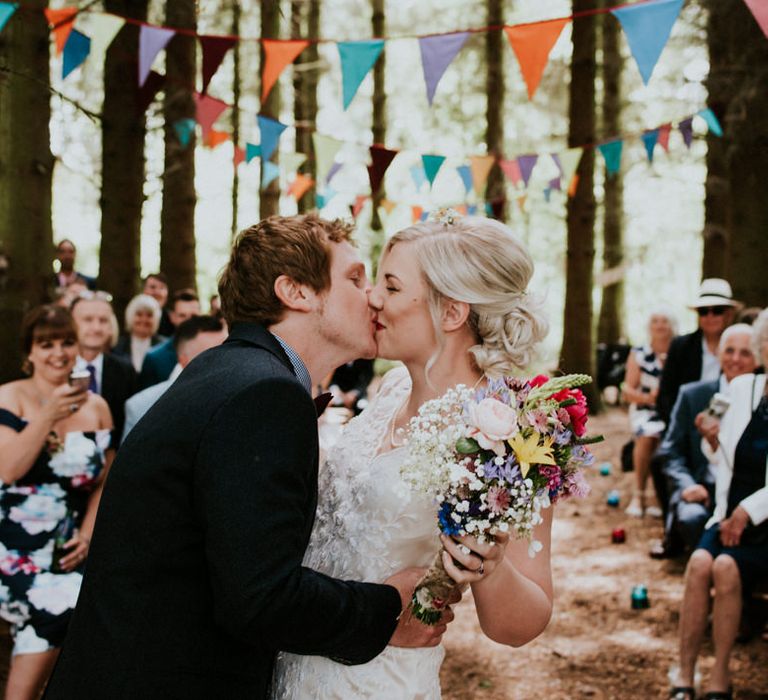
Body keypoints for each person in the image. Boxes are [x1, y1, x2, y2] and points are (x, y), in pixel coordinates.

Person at [44, 215, 445, 699]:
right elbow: (260, 598)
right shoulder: (264, 394)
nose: (374, 297)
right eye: (356, 279)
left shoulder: (229, 370)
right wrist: (384, 611)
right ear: (296, 291)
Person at [273, 214, 555, 698]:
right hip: (297, 655)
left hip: (377, 681)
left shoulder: (504, 432)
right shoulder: (391, 386)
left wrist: (488, 565)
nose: (373, 297)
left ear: (451, 313)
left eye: (392, 286)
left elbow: (523, 623)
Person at [0, 306, 112, 699]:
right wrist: (47, 414)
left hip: (69, 548)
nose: (58, 353)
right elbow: (9, 469)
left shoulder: (97, 407)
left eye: (66, 342)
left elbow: (103, 483)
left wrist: (85, 536)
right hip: (12, 548)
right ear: (29, 352)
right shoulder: (10, 398)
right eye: (45, 344)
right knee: (60, 606)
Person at [670, 309, 768, 700]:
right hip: (726, 514)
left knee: (725, 567)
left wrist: (748, 512)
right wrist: (710, 439)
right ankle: (684, 674)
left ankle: (720, 677)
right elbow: (718, 458)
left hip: (761, 526)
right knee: (698, 563)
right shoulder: (739, 388)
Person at [660, 325, 757, 556]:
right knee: (692, 517)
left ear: (758, 357)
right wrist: (687, 485)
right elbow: (671, 451)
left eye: (745, 353)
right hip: (701, 488)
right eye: (730, 351)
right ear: (718, 354)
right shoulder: (693, 394)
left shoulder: (762, 403)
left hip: (747, 494)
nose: (736, 359)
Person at [122, 315, 227, 442]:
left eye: (230, 352)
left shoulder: (246, 395)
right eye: (212, 358)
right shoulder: (142, 408)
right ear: (184, 362)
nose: (225, 363)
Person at [658, 278, 739, 426]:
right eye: (703, 311)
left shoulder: (739, 351)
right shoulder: (681, 346)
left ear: (729, 314)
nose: (710, 317)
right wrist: (677, 423)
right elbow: (666, 393)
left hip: (729, 422)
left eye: (717, 310)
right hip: (684, 422)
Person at [622, 309, 677, 517]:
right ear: (649, 326)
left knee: (664, 438)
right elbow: (627, 390)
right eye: (655, 321)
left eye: (665, 320)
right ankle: (639, 494)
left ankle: (658, 494)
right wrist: (648, 398)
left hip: (669, 411)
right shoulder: (639, 353)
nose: (660, 325)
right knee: (646, 436)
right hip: (644, 408)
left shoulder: (678, 351)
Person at [70, 292, 136, 449]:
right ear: (71, 324)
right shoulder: (56, 368)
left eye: (103, 320)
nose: (96, 327)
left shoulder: (125, 370)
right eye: (88, 320)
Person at [137, 289, 201, 389]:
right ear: (172, 317)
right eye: (182, 316)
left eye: (194, 316)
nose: (189, 321)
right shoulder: (154, 358)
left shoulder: (212, 351)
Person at [112, 294, 165, 372]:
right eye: (139, 314)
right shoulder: (117, 345)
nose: (144, 319)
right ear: (130, 316)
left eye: (149, 315)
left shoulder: (163, 346)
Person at [142, 273, 174, 337]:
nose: (157, 292)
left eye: (162, 288)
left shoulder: (172, 319)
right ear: (144, 291)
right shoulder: (135, 317)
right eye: (152, 287)